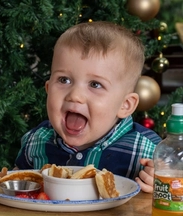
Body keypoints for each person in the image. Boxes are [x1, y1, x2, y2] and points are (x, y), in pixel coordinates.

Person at [15, 21, 161, 193]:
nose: (75, 95)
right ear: (48, 89)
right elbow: (18, 190)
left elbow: (172, 198)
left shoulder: (147, 150)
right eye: (64, 80)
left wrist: (159, 186)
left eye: (95, 84)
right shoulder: (36, 141)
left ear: (125, 105)